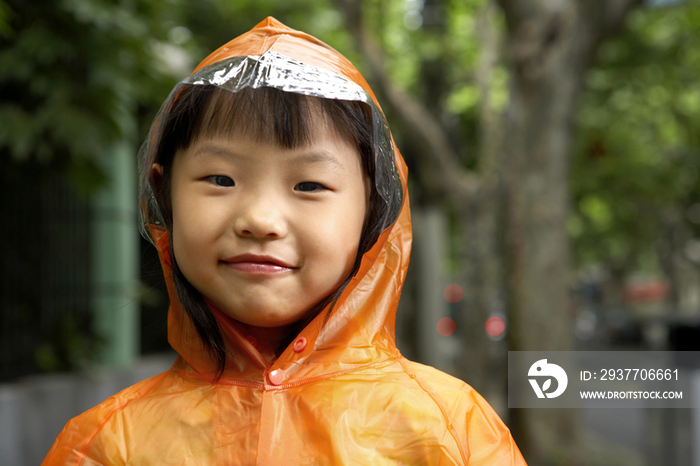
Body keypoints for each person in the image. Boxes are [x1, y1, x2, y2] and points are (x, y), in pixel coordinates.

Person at [43, 17, 527, 465]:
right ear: (164, 192)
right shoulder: (104, 446)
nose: (260, 219)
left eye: (309, 186)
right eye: (220, 178)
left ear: (373, 211)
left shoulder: (449, 431)